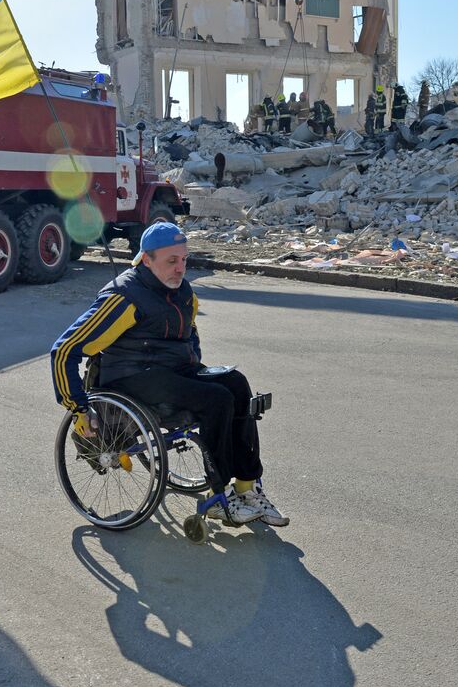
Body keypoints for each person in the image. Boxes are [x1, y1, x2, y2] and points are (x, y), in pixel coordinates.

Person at [50, 222, 287, 527]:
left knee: (236, 384)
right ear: (146, 260)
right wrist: (77, 407)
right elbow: (65, 349)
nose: (180, 269)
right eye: (171, 261)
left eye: (184, 260)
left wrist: (196, 369)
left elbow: (191, 334)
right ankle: (219, 497)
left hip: (172, 371)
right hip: (132, 377)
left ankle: (247, 488)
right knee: (216, 400)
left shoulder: (182, 291)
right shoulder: (124, 296)